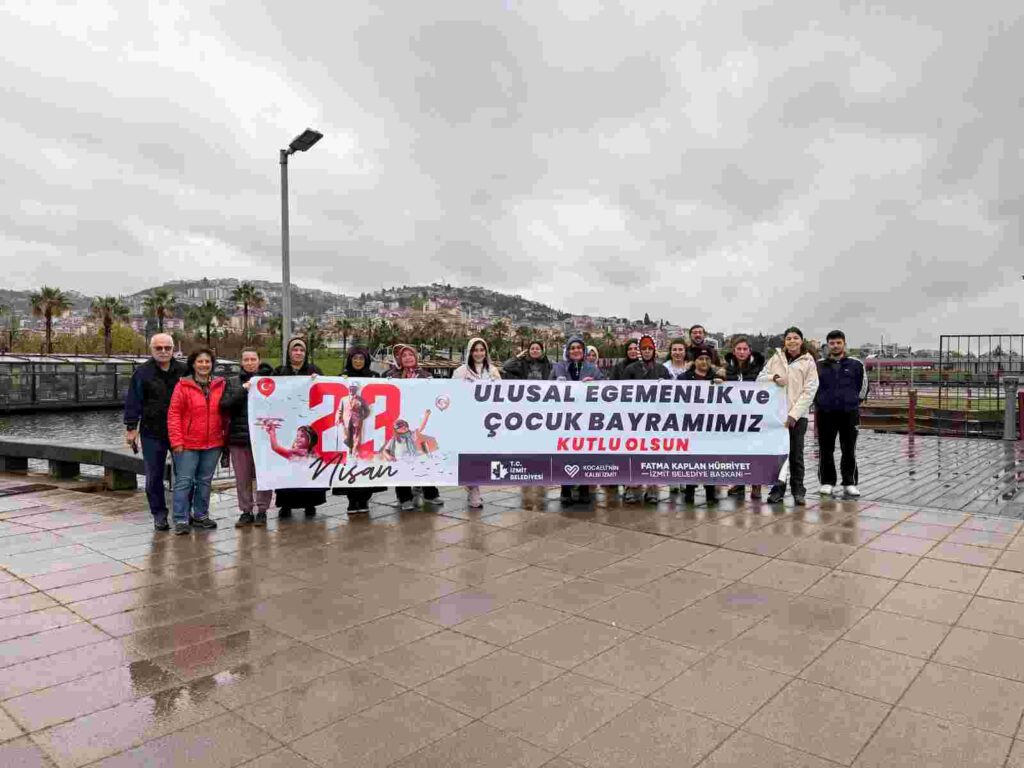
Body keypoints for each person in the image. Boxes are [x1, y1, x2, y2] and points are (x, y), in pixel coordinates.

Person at [124, 333, 188, 531]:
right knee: (154, 476)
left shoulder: (184, 371)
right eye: (158, 348)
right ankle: (159, 514)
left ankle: (185, 513)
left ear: (173, 349)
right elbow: (133, 401)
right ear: (151, 349)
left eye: (167, 348)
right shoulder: (142, 373)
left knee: (185, 475)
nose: (163, 351)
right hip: (153, 431)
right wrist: (131, 428)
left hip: (180, 431)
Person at [758, 327, 820, 506]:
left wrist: (794, 415)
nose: (792, 341)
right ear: (784, 341)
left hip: (796, 417)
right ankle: (777, 489)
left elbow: (810, 391)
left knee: (796, 456)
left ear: (802, 340)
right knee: (778, 455)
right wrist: (774, 377)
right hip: (776, 416)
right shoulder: (775, 359)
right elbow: (760, 379)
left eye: (795, 338)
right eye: (788, 338)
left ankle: (798, 490)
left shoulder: (808, 362)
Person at [166, 348, 225, 535]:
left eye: (207, 361)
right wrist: (176, 441)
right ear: (193, 364)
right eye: (200, 361)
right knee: (184, 481)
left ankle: (201, 515)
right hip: (188, 443)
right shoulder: (182, 386)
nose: (204, 365)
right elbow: (174, 415)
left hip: (213, 443)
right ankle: (181, 518)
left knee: (205, 481)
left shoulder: (220, 385)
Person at [272, 337, 327, 518]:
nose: (298, 353)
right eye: (295, 350)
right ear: (289, 352)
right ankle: (285, 504)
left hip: (309, 423)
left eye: (301, 350)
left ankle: (310, 503)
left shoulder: (314, 371)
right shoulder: (280, 372)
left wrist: (318, 382)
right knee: (288, 464)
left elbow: (325, 392)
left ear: (305, 353)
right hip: (288, 424)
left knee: (308, 464)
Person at [220, 347, 274, 527]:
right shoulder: (233, 382)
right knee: (242, 478)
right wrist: (244, 389)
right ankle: (246, 511)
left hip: (264, 439)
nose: (250, 363)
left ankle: (263, 510)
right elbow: (225, 405)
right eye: (246, 360)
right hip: (239, 438)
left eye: (253, 359)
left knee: (263, 477)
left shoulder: (270, 381)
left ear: (259, 360)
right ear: (241, 362)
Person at [386, 343, 443, 511]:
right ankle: (404, 497)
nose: (408, 358)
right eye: (404, 356)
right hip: (400, 424)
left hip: (418, 424)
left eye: (411, 355)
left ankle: (430, 493)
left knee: (424, 457)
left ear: (416, 357)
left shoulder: (426, 376)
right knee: (402, 458)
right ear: (400, 359)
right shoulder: (391, 375)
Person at [550, 334, 603, 506]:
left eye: (579, 348)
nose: (576, 351)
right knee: (565, 455)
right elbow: (546, 389)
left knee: (586, 454)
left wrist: (594, 384)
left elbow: (606, 388)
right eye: (572, 348)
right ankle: (565, 488)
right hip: (564, 420)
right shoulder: (558, 367)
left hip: (587, 420)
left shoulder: (593, 369)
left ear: (584, 350)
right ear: (568, 350)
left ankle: (584, 488)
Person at [815, 330, 867, 499]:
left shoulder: (856, 364)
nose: (835, 346)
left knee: (849, 448)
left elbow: (864, 387)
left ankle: (849, 483)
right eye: (832, 343)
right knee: (825, 448)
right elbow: (811, 387)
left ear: (844, 343)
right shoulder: (818, 365)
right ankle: (827, 482)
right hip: (825, 413)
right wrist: (819, 402)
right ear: (827, 345)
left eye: (838, 342)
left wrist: (853, 402)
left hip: (849, 413)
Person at [453, 337, 501, 509]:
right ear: (470, 352)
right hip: (467, 421)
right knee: (470, 456)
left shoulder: (494, 371)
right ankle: (474, 491)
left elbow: (502, 395)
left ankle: (472, 485)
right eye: (475, 350)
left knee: (483, 457)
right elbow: (453, 395)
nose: (479, 353)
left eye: (482, 350)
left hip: (488, 421)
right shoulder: (460, 372)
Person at [332, 346, 381, 514]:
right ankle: (352, 500)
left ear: (366, 360)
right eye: (355, 359)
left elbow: (368, 409)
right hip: (347, 427)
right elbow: (338, 407)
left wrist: (363, 417)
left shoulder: (374, 378)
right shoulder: (342, 379)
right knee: (349, 458)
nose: (358, 362)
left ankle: (364, 500)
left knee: (365, 458)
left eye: (361, 359)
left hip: (363, 428)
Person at [680, 346, 724, 504]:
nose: (704, 362)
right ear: (694, 361)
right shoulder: (684, 378)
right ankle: (689, 492)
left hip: (710, 426)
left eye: (707, 359)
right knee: (691, 460)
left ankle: (710, 493)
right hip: (690, 426)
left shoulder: (717, 378)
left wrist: (722, 386)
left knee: (710, 460)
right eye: (701, 359)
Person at [724, 336, 766, 500]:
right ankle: (739, 483)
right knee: (738, 451)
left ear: (750, 351)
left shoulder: (759, 367)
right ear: (734, 351)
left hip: (754, 415)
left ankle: (756, 485)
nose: (741, 352)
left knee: (755, 450)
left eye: (744, 349)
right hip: (735, 416)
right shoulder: (728, 368)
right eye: (738, 349)